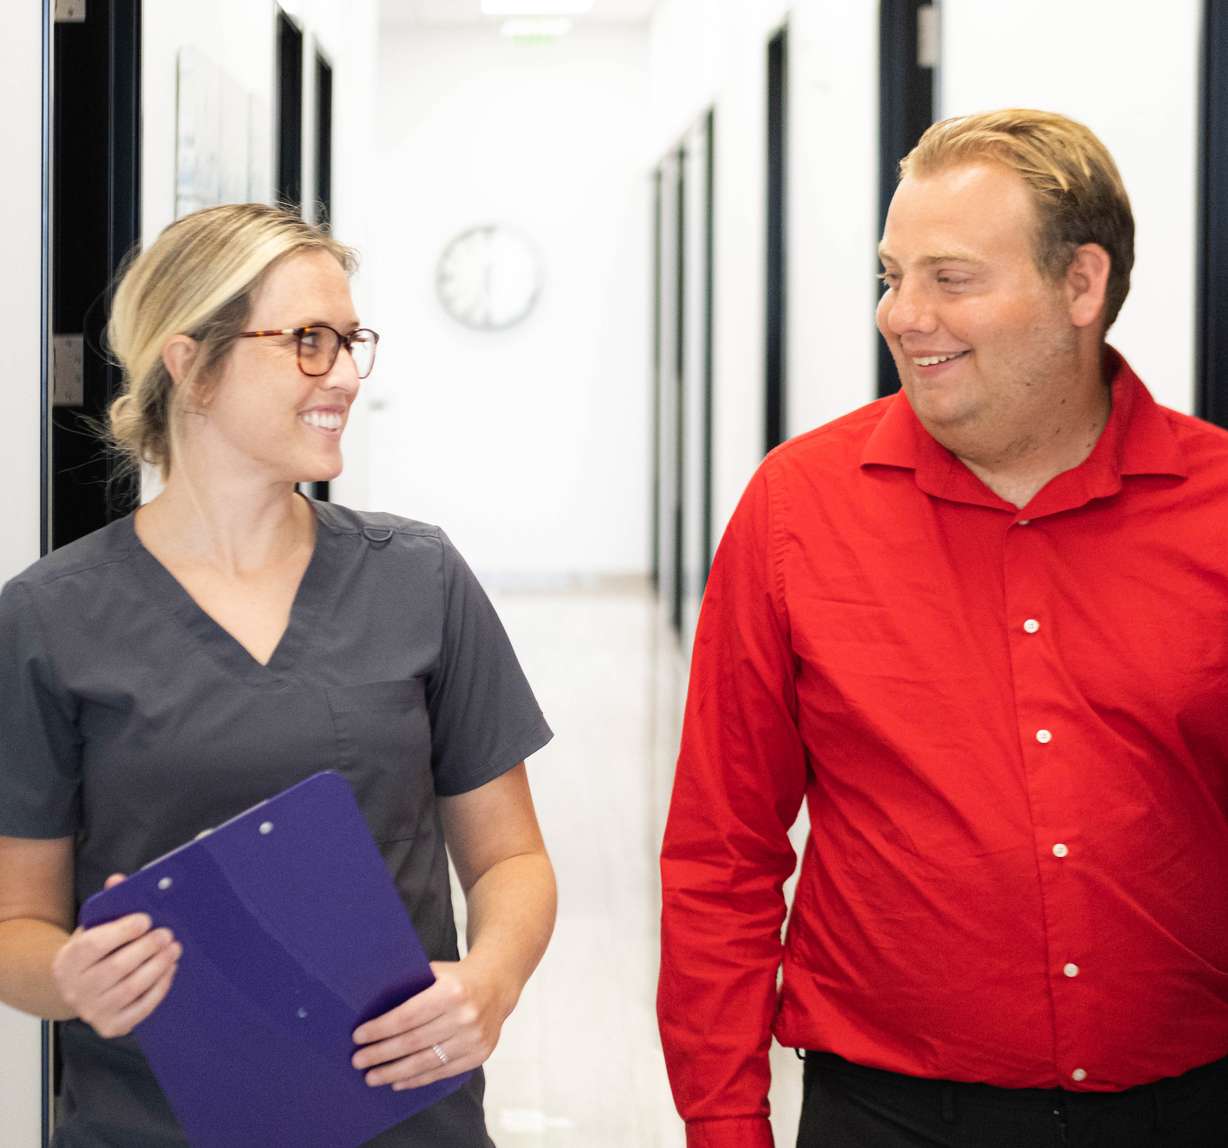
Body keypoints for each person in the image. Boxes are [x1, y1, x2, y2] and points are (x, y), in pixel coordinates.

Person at [657, 109, 1228, 1147]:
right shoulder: (798, 508)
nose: (901, 314)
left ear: (1081, 285)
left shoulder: (1216, 506)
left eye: (949, 278)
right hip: (889, 1112)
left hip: (1183, 1107)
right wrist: (724, 1128)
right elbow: (720, 854)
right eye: (891, 274)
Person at [0, 203, 557, 1147]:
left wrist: (490, 981)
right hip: (152, 1123)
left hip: (401, 1112)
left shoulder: (418, 578)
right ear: (191, 366)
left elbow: (512, 861)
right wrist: (67, 979)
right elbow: (16, 919)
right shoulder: (50, 617)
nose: (342, 373)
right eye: (307, 341)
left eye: (349, 341)